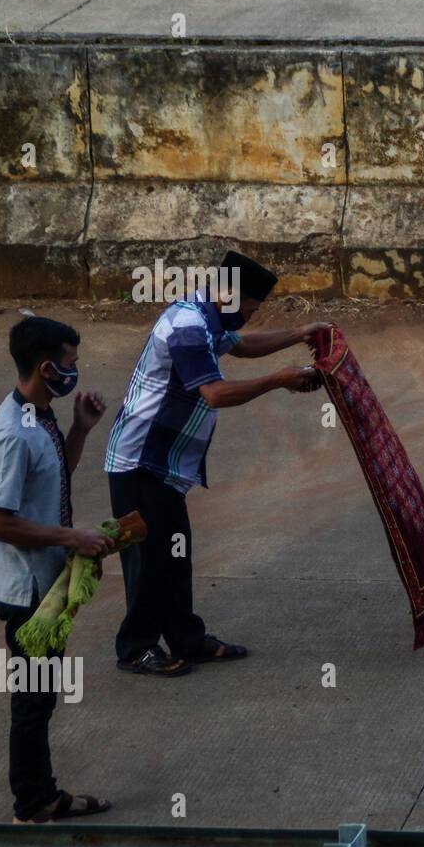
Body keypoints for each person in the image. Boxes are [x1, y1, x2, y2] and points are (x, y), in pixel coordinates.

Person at [103, 251, 327, 676]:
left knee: (173, 555)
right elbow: (215, 393)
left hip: (163, 464)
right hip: (139, 461)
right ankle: (136, 648)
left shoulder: (208, 318)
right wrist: (278, 381)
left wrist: (300, 333)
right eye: (251, 307)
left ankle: (186, 639)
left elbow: (242, 347)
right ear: (230, 293)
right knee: (149, 560)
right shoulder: (189, 326)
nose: (249, 316)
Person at [0, 317, 113, 823]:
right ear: (46, 367)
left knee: (40, 695)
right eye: (70, 364)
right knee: (33, 702)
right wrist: (71, 537)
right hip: (27, 592)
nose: (75, 373)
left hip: (47, 584)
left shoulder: (39, 416)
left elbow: (52, 478)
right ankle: (34, 803)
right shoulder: (13, 435)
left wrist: (80, 430)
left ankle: (41, 794)